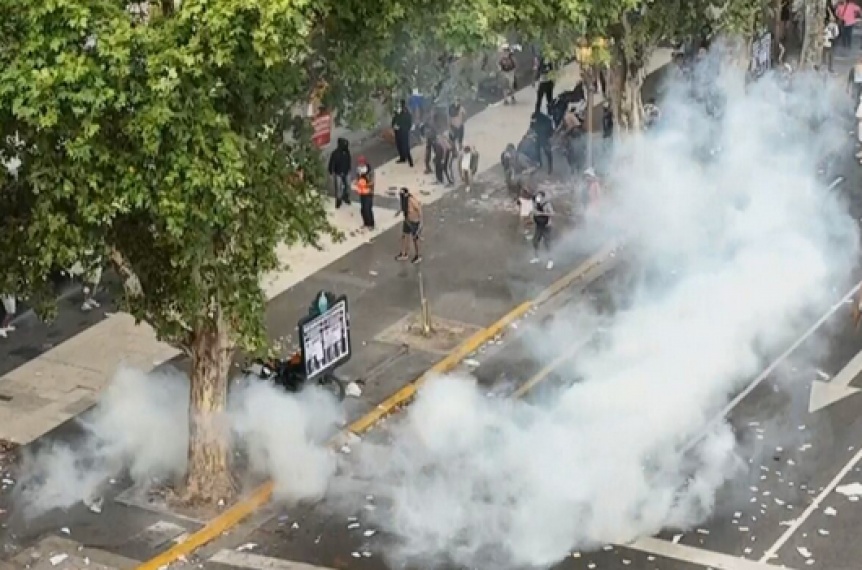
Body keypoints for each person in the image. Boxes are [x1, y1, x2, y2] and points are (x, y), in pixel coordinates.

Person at [395, 187, 423, 264]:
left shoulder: (411, 200)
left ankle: (418, 255)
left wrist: (421, 222)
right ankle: (404, 253)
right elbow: (404, 207)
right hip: (407, 220)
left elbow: (419, 208)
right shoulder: (404, 199)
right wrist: (399, 211)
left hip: (414, 221)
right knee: (404, 236)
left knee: (415, 239)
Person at [530, 191, 554, 270]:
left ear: (543, 197)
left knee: (547, 243)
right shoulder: (535, 203)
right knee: (535, 241)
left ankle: (550, 261)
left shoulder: (547, 204)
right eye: (537, 196)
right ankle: (537, 257)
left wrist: (542, 214)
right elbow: (534, 212)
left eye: (539, 196)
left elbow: (552, 213)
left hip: (546, 225)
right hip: (539, 225)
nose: (538, 198)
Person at [327, 137, 352, 208]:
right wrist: (331, 172)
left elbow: (349, 160)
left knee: (348, 185)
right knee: (338, 187)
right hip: (338, 173)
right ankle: (339, 200)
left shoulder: (347, 152)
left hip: (346, 171)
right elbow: (331, 163)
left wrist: (349, 168)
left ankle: (345, 197)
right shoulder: (335, 153)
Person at [354, 156, 375, 230]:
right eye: (359, 163)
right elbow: (357, 179)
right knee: (363, 209)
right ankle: (366, 223)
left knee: (368, 208)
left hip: (368, 192)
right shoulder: (358, 170)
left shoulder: (369, 171)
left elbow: (372, 182)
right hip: (362, 192)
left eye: (361, 163)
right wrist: (357, 183)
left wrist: (364, 184)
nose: (360, 164)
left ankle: (371, 224)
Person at [392, 100, 414, 166]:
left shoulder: (406, 113)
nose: (398, 107)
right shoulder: (397, 113)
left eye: (399, 106)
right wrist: (394, 126)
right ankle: (402, 158)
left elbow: (409, 124)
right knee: (399, 146)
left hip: (404, 132)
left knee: (405, 147)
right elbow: (393, 121)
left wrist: (401, 127)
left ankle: (410, 161)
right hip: (397, 132)